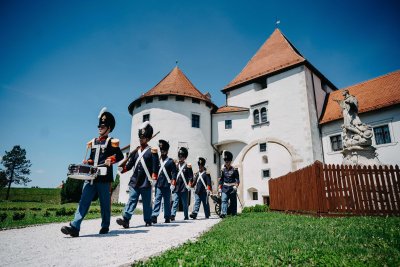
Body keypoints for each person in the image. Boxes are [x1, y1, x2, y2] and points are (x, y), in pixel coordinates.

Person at [61, 107, 124, 237]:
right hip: (90, 177)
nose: (100, 127)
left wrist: (111, 159)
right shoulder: (93, 142)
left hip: (104, 178)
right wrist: (88, 162)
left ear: (109, 128)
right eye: (99, 125)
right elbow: (92, 158)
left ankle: (105, 225)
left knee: (105, 204)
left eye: (103, 125)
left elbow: (120, 156)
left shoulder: (112, 142)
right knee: (84, 201)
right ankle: (75, 226)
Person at [116, 121, 159, 228]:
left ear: (148, 138)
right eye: (140, 137)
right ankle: (126, 219)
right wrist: (122, 169)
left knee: (146, 204)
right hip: (135, 181)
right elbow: (129, 165)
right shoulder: (136, 152)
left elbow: (155, 166)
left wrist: (154, 177)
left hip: (146, 181)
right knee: (132, 200)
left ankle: (148, 220)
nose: (141, 140)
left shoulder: (152, 151)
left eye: (143, 137)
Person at [151, 140, 177, 224]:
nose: (163, 152)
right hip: (158, 184)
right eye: (161, 150)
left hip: (167, 184)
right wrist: (153, 179)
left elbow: (174, 173)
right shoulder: (157, 161)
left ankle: (167, 217)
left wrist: (173, 183)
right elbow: (154, 170)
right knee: (157, 200)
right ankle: (154, 216)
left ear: (167, 151)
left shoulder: (170, 161)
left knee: (166, 201)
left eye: (164, 150)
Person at [170, 147, 193, 221]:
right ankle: (173, 215)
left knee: (184, 203)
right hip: (177, 187)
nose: (180, 157)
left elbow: (190, 177)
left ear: (185, 157)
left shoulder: (187, 166)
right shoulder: (176, 165)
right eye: (179, 155)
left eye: (182, 156)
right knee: (175, 201)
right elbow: (173, 174)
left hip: (184, 187)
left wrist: (189, 184)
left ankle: (186, 216)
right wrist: (172, 183)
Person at [218, 150, 240, 218]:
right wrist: (219, 188)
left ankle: (234, 214)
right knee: (224, 200)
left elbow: (237, 180)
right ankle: (223, 213)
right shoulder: (223, 170)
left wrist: (236, 186)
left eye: (228, 161)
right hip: (225, 187)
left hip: (232, 188)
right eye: (225, 161)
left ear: (230, 161)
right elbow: (221, 179)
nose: (226, 162)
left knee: (233, 202)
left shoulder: (234, 170)